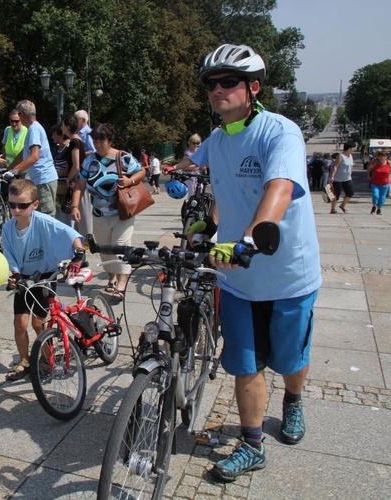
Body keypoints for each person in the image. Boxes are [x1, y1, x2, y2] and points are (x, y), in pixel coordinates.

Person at [179, 43, 321, 482]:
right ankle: (253, 443)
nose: (217, 90)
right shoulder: (218, 141)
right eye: (211, 84)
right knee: (246, 364)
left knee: (291, 361)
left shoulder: (280, 132)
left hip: (287, 275)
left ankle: (293, 401)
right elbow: (212, 186)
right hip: (237, 279)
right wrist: (206, 224)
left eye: (228, 82)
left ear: (252, 87)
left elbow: (279, 188)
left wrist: (245, 240)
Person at [1, 179, 84, 380]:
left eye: (22, 205)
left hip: (45, 276)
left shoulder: (44, 222)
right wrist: (16, 275)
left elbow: (71, 234)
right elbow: (9, 254)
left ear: (35, 204)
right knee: (19, 323)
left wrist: (79, 254)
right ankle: (24, 360)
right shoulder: (8, 228)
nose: (16, 210)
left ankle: (46, 358)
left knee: (38, 323)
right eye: (12, 205)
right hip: (23, 277)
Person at [70, 123, 145, 300]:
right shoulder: (89, 161)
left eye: (101, 140)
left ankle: (122, 282)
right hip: (100, 213)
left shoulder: (123, 157)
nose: (97, 144)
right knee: (104, 249)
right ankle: (111, 277)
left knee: (120, 246)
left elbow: (141, 172)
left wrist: (130, 181)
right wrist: (74, 206)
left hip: (122, 212)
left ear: (109, 141)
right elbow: (80, 185)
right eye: (95, 140)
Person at [5, 100, 59, 216]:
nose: (18, 118)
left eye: (19, 114)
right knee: (38, 217)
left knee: (46, 217)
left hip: (43, 179)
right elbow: (22, 154)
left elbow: (34, 156)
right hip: (40, 180)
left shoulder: (33, 129)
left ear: (23, 114)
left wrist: (15, 171)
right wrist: (8, 169)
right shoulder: (33, 129)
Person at [330, 142, 356, 214]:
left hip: (347, 178)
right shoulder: (340, 156)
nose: (354, 149)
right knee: (336, 195)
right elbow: (335, 166)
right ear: (349, 148)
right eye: (353, 148)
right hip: (338, 179)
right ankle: (332, 209)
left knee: (350, 192)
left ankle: (342, 205)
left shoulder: (350, 156)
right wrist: (332, 176)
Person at [369, 149, 390, 215]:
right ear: (378, 157)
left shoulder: (389, 163)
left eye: (384, 156)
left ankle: (379, 208)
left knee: (382, 198)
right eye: (380, 156)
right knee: (376, 195)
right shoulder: (375, 162)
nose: (382, 158)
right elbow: (369, 169)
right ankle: (374, 206)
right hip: (375, 182)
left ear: (386, 157)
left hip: (385, 183)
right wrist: (369, 176)